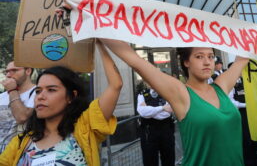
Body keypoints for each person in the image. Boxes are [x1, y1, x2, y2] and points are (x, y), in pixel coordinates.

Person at [99, 38, 249, 166]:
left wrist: (251, 35)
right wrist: (98, 27)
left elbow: (242, 59)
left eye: (211, 57)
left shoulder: (220, 87)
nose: (207, 62)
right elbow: (136, 61)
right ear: (186, 62)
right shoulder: (181, 93)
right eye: (199, 56)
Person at [0, 40, 123, 165]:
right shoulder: (20, 143)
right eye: (38, 91)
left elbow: (115, 84)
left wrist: (99, 44)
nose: (40, 97)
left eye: (51, 90)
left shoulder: (85, 128)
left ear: (71, 96)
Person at [228, 61, 257, 166]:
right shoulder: (231, 83)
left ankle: (254, 160)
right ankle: (247, 162)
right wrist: (246, 105)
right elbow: (230, 101)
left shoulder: (248, 80)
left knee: (254, 138)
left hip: (252, 113)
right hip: (241, 114)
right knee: (245, 140)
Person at [0, 62, 36, 153]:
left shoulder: (38, 93)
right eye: (6, 72)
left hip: (20, 152)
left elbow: (22, 117)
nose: (8, 75)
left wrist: (12, 90)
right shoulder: (2, 96)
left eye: (14, 70)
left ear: (28, 71)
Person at [137, 86, 175, 166]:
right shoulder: (142, 94)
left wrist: (150, 111)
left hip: (166, 131)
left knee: (169, 159)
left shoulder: (167, 93)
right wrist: (163, 108)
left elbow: (167, 114)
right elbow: (142, 112)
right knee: (149, 161)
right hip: (148, 133)